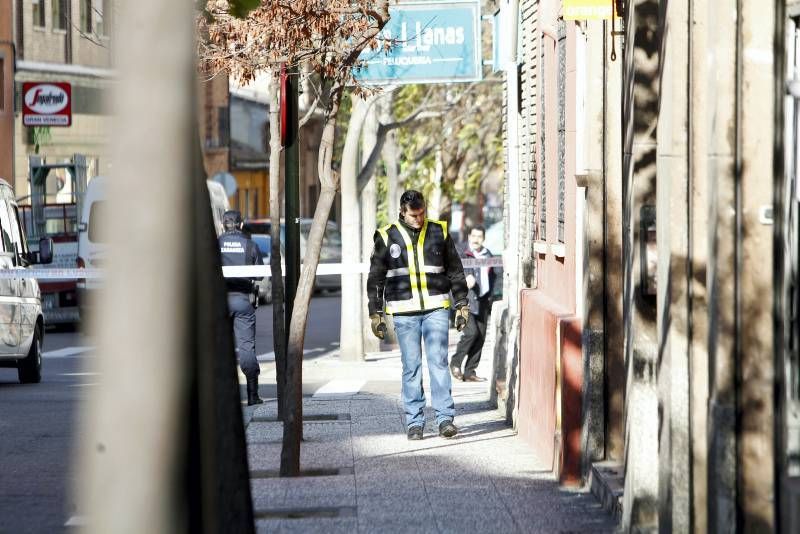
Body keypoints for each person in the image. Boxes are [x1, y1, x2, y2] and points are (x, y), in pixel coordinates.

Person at [367, 190, 470, 440]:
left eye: (422, 213)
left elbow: (455, 270)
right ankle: (415, 422)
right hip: (404, 312)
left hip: (436, 307)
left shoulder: (439, 231)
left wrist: (462, 304)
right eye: (414, 215)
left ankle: (445, 419)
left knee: (438, 363)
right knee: (411, 367)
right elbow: (376, 278)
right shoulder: (385, 236)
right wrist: (376, 313)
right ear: (402, 212)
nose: (419, 219)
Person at [219, 209, 264, 406]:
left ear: (223, 225)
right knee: (246, 348)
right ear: (241, 224)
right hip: (243, 301)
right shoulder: (250, 244)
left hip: (219, 301)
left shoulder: (215, 244)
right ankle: (253, 395)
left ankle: (223, 397)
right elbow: (260, 274)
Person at [449, 225, 498, 382]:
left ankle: (470, 372)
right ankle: (455, 363)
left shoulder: (487, 254)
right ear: (469, 236)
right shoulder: (461, 252)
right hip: (464, 300)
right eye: (473, 236)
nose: (476, 239)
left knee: (481, 336)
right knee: (471, 333)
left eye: (479, 237)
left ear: (483, 238)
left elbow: (495, 275)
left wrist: (493, 295)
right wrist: (465, 279)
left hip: (483, 300)